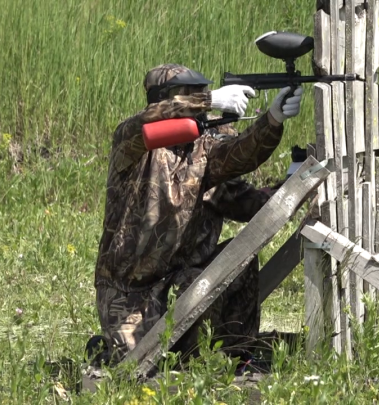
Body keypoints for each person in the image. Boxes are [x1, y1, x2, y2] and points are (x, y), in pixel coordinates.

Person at [87, 63, 303, 374]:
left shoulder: (202, 150)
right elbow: (146, 121)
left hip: (181, 283)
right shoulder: (132, 144)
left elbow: (240, 155)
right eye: (189, 96)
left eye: (200, 94)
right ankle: (105, 350)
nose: (198, 104)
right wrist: (210, 100)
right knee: (137, 370)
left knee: (224, 272)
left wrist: (273, 120)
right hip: (128, 292)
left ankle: (235, 353)